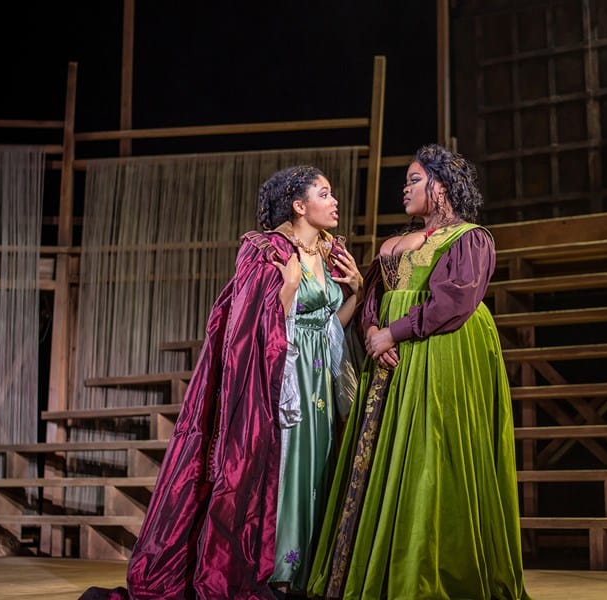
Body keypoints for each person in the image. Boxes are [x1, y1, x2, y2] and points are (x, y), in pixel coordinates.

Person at [81, 165, 363, 600]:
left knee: (315, 469)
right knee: (283, 469)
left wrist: (356, 294)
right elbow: (254, 326)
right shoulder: (266, 251)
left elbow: (328, 328)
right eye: (325, 194)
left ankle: (305, 571)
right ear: (299, 205)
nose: (334, 201)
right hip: (278, 382)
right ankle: (276, 571)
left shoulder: (328, 253)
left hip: (318, 382)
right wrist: (286, 291)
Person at [308, 144, 531, 599]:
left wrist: (395, 332)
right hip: (388, 360)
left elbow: (455, 301)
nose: (404, 188)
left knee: (433, 457)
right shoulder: (395, 241)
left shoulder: (469, 237)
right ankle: (381, 569)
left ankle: (432, 571)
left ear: (441, 185)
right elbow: (371, 295)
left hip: (440, 353)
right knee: (384, 461)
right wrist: (372, 330)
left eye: (414, 180)